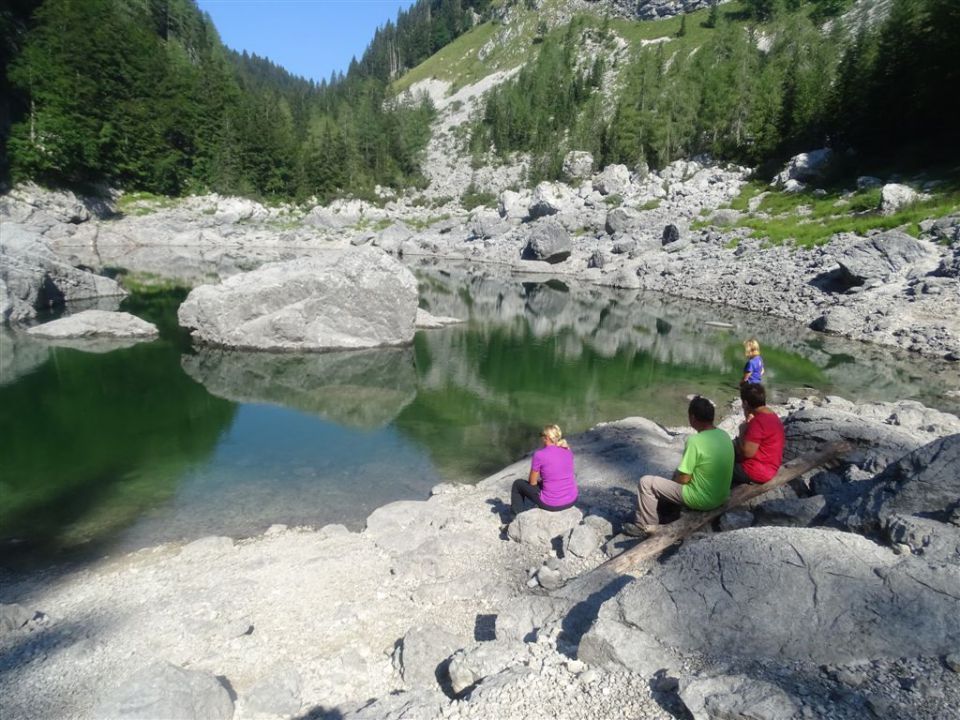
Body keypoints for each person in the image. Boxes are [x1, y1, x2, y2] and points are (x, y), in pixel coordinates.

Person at [623, 396, 734, 537]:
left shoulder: (695, 441)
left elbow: (684, 479)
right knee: (677, 473)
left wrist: (672, 485)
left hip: (703, 500)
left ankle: (644, 526)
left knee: (646, 483)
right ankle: (669, 511)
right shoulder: (724, 435)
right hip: (721, 495)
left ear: (692, 417)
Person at [510, 424, 578, 516]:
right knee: (546, 483)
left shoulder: (539, 454)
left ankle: (516, 517)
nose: (540, 438)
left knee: (518, 484)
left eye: (541, 435)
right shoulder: (568, 451)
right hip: (572, 499)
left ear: (546, 438)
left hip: (552, 504)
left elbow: (532, 483)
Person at [732, 383, 785, 485]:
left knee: (717, 467)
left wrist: (742, 431)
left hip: (756, 471)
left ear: (746, 403)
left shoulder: (758, 422)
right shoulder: (771, 415)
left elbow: (747, 453)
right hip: (770, 466)